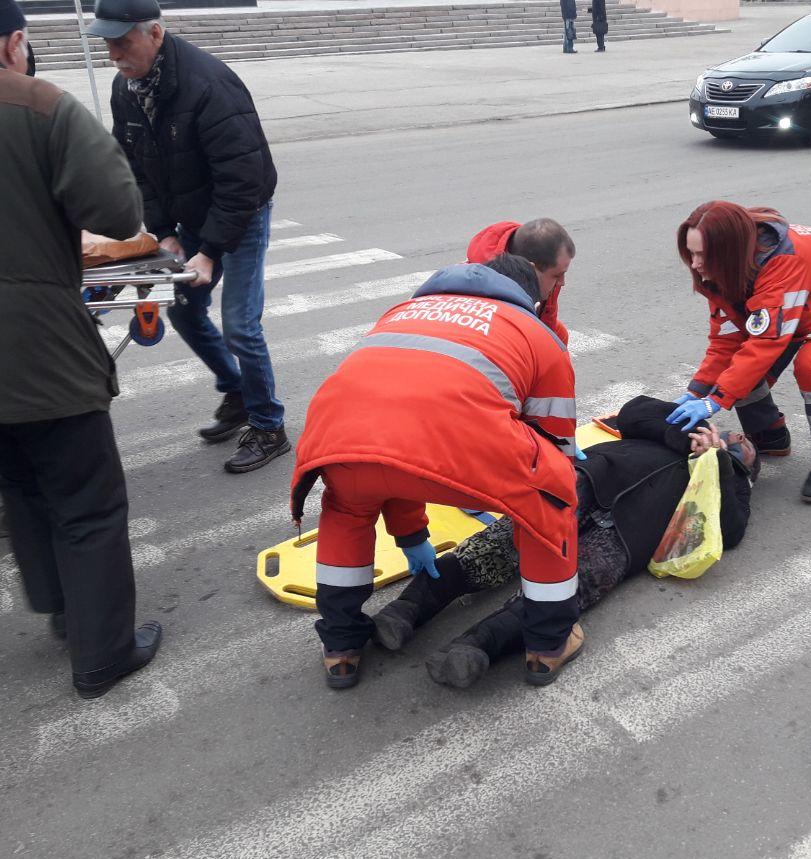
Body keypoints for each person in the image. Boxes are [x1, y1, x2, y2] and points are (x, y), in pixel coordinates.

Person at [0, 0, 163, 698]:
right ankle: (103, 652)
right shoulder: (39, 105)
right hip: (39, 342)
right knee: (88, 499)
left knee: (22, 481)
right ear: (16, 41)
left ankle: (61, 613)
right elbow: (117, 213)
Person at [292, 254, 583, 690]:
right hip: (458, 449)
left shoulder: (399, 313)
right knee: (551, 501)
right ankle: (547, 645)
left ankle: (340, 650)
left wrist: (411, 535)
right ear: (527, 297)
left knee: (347, 510)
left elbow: (399, 447)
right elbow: (556, 442)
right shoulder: (534, 332)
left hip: (341, 441)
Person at [371, 396, 757, 688]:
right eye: (737, 434)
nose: (740, 436)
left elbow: (732, 531)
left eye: (747, 446)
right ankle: (405, 610)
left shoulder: (732, 481)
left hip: (626, 537)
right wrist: (683, 435)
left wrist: (722, 463)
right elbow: (633, 412)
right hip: (591, 481)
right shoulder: (686, 425)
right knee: (500, 545)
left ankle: (475, 647)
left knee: (568, 587)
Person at [90, 0, 289, 473]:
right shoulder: (129, 88)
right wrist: (166, 234)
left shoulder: (209, 85)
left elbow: (242, 180)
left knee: (241, 324)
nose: (114, 53)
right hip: (191, 215)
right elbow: (134, 166)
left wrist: (209, 251)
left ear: (155, 34)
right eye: (108, 43)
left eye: (123, 41)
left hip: (240, 213)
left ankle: (268, 425)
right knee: (184, 312)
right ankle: (238, 392)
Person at [667, 201, 811, 504]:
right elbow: (726, 341)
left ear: (728, 252)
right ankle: (771, 435)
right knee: (739, 367)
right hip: (802, 298)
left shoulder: (781, 262)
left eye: (702, 255)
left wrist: (714, 401)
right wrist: (697, 391)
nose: (695, 264)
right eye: (691, 253)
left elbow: (766, 342)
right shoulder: (724, 269)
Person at [466, 217, 574, 344]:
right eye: (557, 275)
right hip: (487, 337)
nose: (562, 282)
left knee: (559, 337)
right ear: (530, 270)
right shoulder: (482, 288)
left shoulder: (544, 269)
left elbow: (547, 323)